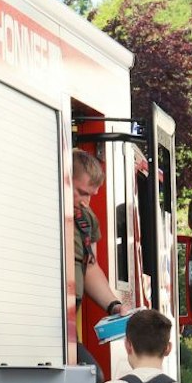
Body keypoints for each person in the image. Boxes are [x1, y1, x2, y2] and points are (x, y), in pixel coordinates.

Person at [70, 150, 125, 362]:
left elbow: (90, 267)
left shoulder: (86, 218)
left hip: (67, 322)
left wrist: (114, 305)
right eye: (81, 192)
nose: (86, 202)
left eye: (91, 195)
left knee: (93, 377)